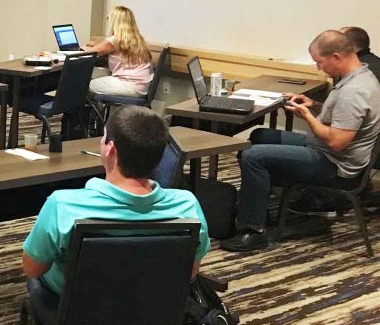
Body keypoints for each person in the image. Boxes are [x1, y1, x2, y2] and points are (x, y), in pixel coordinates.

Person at [22, 107, 210, 299]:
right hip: (154, 310)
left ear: (110, 148)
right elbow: (189, 273)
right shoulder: (188, 206)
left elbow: (33, 269)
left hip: (77, 311)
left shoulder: (62, 206)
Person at [221, 30, 380, 253]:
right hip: (327, 152)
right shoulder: (360, 76)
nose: (318, 68)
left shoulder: (355, 91)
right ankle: (258, 205)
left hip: (336, 167)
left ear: (336, 57)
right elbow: (342, 116)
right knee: (260, 136)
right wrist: (313, 105)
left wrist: (307, 116)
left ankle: (252, 230)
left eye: (319, 62)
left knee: (253, 156)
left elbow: (336, 142)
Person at [85, 5, 153, 98]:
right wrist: (97, 45)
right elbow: (110, 48)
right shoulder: (137, 39)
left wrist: (83, 48)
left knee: (83, 85)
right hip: (141, 87)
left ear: (114, 21)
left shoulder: (115, 40)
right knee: (98, 74)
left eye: (109, 18)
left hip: (128, 85)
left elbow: (89, 53)